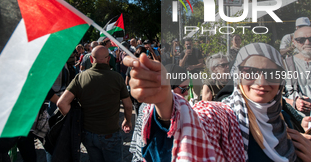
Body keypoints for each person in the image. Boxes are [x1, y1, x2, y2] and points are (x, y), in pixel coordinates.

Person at [123, 44, 311, 162]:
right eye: (250, 71)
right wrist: (165, 104)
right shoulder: (227, 115)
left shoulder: (282, 117)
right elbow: (196, 124)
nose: (261, 82)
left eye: (272, 74)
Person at [57, 45, 133, 162]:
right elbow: (128, 106)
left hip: (88, 133)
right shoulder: (117, 78)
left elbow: (62, 103)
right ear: (108, 59)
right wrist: (127, 120)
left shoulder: (80, 77)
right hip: (110, 132)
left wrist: (75, 119)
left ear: (91, 60)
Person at [284, 26, 311, 117]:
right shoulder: (285, 65)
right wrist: (294, 103)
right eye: (301, 40)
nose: (307, 43)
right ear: (294, 43)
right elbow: (274, 97)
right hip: (299, 124)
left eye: (310, 39)